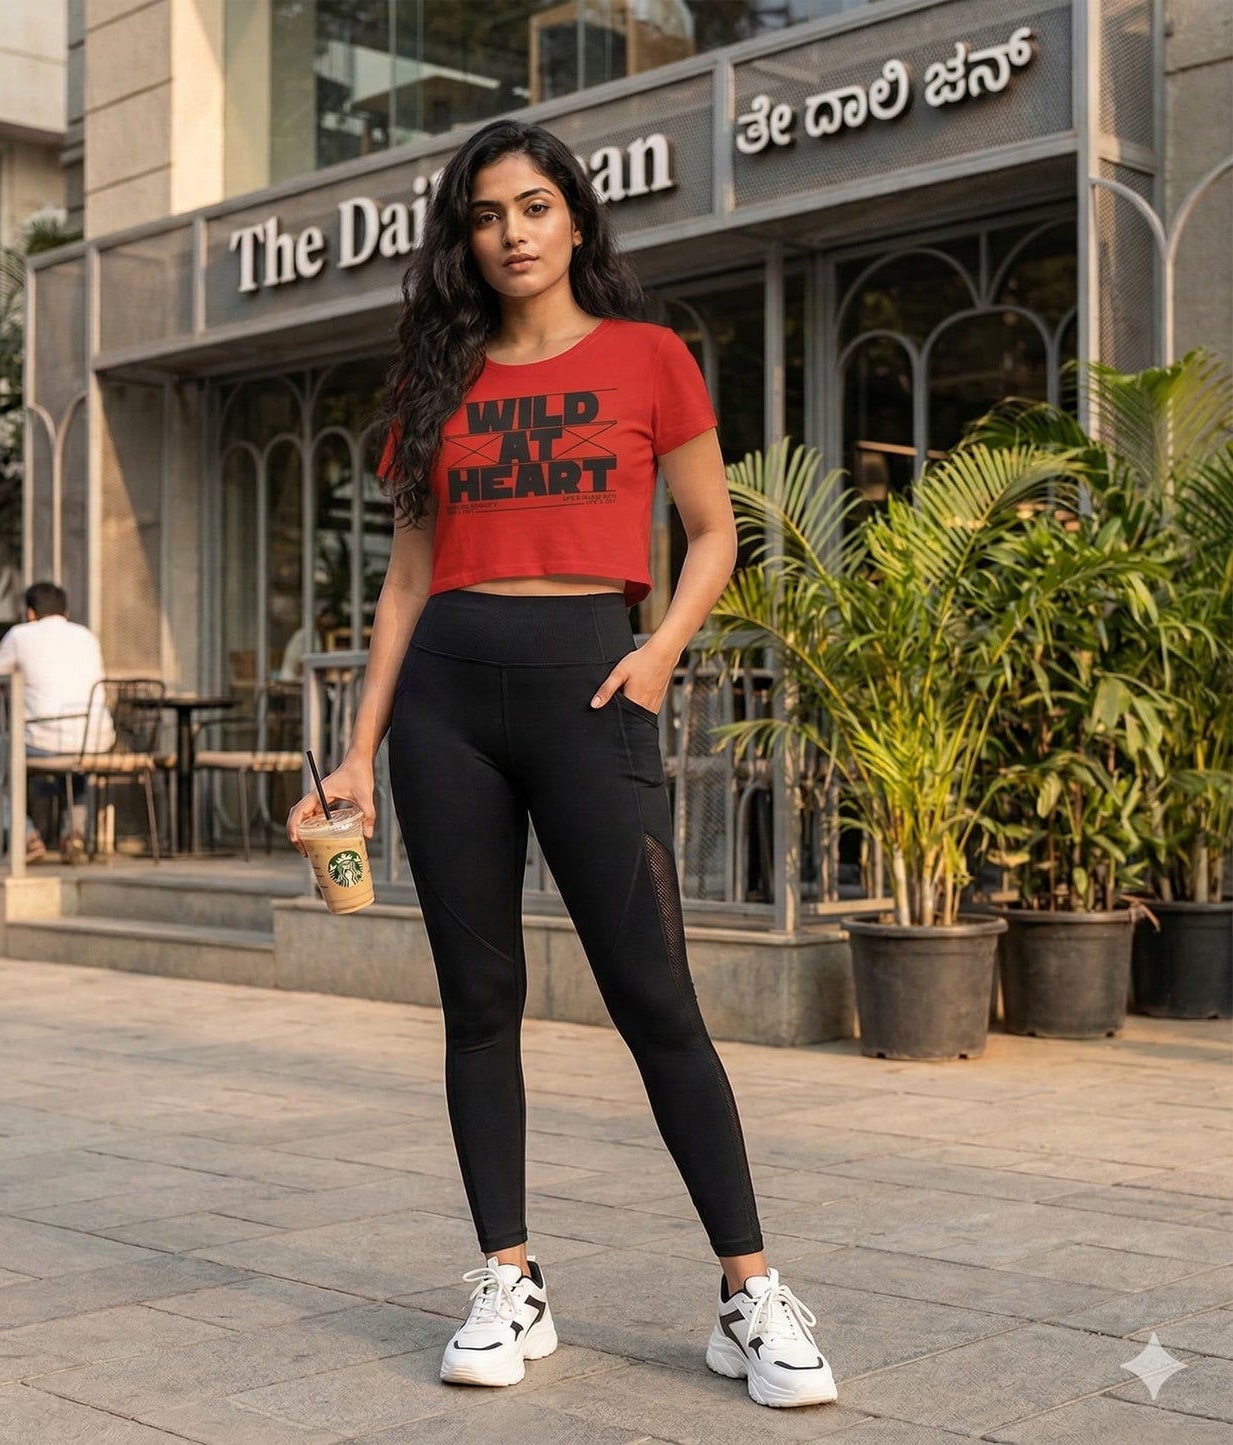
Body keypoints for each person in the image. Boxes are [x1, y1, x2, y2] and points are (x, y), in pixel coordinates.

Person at [287, 119, 838, 1409]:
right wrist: (357, 752)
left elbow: (711, 534)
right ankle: (508, 1274)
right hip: (444, 709)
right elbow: (408, 575)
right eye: (486, 215)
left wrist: (656, 656)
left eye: (534, 206)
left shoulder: (649, 359)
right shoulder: (434, 381)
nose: (513, 232)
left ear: (577, 218)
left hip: (592, 683)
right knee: (479, 1002)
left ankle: (747, 1290)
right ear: (463, 240)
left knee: (656, 998)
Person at [0, 581, 113, 864]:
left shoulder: (21, 634)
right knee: (75, 766)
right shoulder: (86, 636)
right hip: (94, 739)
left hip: (43, 739)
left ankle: (26, 836)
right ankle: (73, 834)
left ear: (30, 613)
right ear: (66, 610)